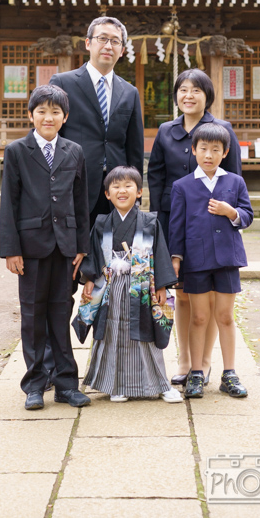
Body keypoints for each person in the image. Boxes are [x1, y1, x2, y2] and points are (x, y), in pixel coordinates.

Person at [0, 85, 91, 410]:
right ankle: (35, 384)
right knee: (33, 315)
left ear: (64, 117)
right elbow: (8, 204)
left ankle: (67, 383)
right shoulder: (17, 151)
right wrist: (11, 249)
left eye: (55, 112)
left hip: (66, 247)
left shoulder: (74, 151)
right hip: (31, 247)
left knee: (60, 312)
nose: (48, 117)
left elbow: (81, 203)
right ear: (30, 115)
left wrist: (82, 245)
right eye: (42, 111)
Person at [147, 68, 241, 386]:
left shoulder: (222, 129)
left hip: (213, 229)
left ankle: (205, 362)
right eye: (183, 90)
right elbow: (156, 179)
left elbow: (234, 182)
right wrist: (158, 225)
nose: (189, 96)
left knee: (211, 298)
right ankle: (186, 362)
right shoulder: (164, 132)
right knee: (183, 296)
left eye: (196, 90)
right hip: (176, 228)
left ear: (207, 95)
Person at [76, 165, 182, 403]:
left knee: (146, 333)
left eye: (128, 186)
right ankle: (116, 385)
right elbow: (93, 253)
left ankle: (160, 384)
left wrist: (162, 286)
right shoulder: (102, 222)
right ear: (107, 194)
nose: (121, 191)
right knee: (112, 333)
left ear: (139, 192)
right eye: (115, 186)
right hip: (111, 287)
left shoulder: (149, 221)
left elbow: (160, 253)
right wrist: (90, 279)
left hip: (142, 288)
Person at [169, 123, 253, 399]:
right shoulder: (182, 186)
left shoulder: (234, 182)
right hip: (195, 260)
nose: (209, 155)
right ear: (193, 150)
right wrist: (176, 258)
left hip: (227, 258)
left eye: (215, 150)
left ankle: (229, 373)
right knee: (200, 317)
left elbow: (248, 215)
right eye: (203, 149)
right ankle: (196, 372)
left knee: (225, 317)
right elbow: (176, 225)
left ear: (225, 152)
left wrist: (232, 212)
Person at [50, 16, 144, 227]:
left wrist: (135, 194)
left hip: (116, 187)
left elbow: (134, 147)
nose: (108, 46)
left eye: (115, 41)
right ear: (88, 43)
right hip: (75, 183)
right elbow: (52, 135)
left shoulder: (130, 92)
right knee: (76, 254)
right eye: (102, 38)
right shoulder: (63, 82)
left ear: (122, 50)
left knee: (115, 255)